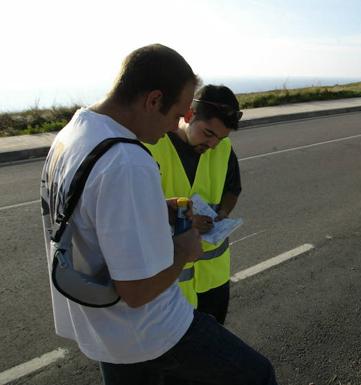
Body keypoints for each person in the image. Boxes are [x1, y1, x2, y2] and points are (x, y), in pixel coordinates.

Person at [40, 44, 277, 385]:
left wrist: (154, 208)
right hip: (148, 330)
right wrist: (185, 251)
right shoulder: (126, 160)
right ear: (153, 100)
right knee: (257, 374)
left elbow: (91, 219)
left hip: (105, 328)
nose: (176, 125)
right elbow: (136, 291)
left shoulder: (73, 135)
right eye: (178, 113)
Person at [146, 84, 242, 325]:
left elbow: (233, 188)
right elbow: (139, 213)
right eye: (208, 134)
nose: (212, 145)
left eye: (220, 138)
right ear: (188, 115)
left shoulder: (223, 149)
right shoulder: (152, 147)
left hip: (214, 280)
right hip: (172, 284)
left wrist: (223, 212)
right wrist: (185, 222)